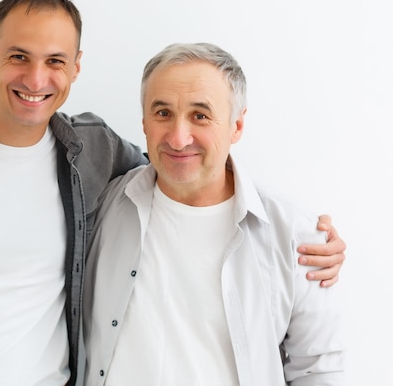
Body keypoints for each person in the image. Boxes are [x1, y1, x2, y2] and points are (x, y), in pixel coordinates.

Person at [0, 0, 345, 386]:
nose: (36, 79)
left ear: (76, 68)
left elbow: (184, 170)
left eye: (55, 61)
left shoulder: (94, 153)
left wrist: (310, 238)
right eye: (17, 56)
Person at [83, 42, 345, 385]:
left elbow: (318, 369)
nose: (178, 138)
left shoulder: (297, 237)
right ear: (144, 122)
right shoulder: (102, 203)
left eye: (200, 115)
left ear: (236, 125)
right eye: (162, 113)